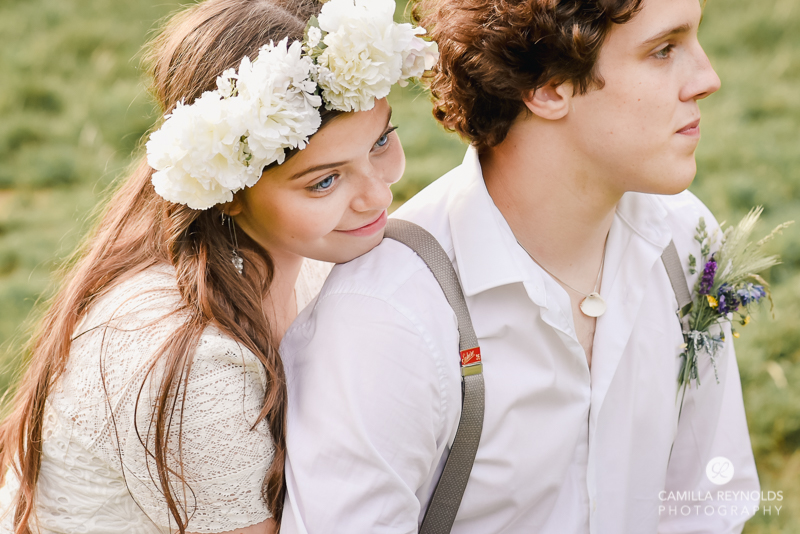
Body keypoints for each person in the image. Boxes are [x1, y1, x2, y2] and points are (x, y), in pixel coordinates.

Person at [280, 0, 761, 532]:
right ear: (549, 86)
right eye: (664, 50)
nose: (707, 78)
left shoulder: (684, 238)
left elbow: (708, 502)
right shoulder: (387, 318)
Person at [0, 0, 436, 532]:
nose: (376, 194)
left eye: (381, 141)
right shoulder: (189, 365)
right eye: (324, 180)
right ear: (225, 191)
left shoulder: (312, 257)